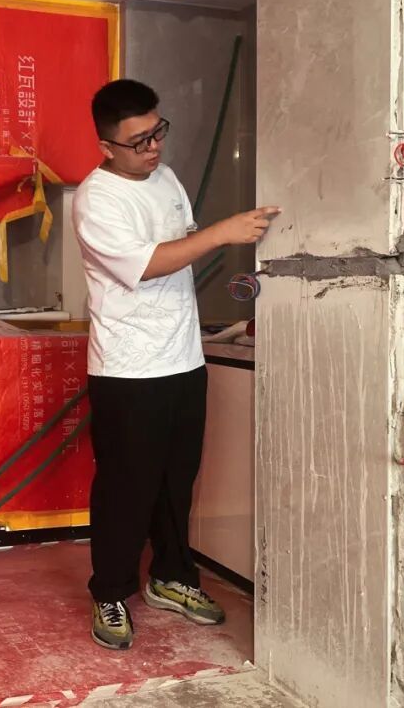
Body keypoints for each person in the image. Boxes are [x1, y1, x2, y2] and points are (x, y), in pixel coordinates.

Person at [72, 79, 279, 650]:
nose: (154, 147)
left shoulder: (164, 178)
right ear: (106, 145)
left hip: (183, 359)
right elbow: (146, 265)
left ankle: (171, 576)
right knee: (126, 488)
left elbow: (181, 240)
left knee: (175, 481)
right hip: (128, 369)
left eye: (157, 132)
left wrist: (210, 239)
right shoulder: (97, 200)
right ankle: (110, 591)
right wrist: (222, 234)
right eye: (138, 140)